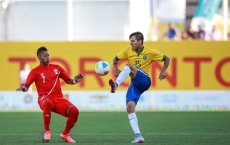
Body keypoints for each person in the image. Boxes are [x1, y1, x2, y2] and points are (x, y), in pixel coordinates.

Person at [109, 32, 170, 143]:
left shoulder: (150, 52)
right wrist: (115, 68)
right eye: (130, 41)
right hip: (135, 84)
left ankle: (116, 85)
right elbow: (115, 58)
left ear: (140, 41)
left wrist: (163, 70)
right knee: (129, 106)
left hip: (145, 80)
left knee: (129, 66)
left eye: (133, 41)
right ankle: (138, 135)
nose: (131, 43)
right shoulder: (128, 50)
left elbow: (167, 58)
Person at [16, 46, 83, 143]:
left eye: (48, 55)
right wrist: (23, 88)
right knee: (48, 102)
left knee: (75, 111)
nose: (48, 57)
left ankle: (65, 134)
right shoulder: (35, 72)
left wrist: (75, 80)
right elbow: (26, 85)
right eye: (45, 56)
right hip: (44, 99)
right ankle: (47, 131)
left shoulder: (57, 68)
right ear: (39, 57)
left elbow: (69, 80)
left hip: (58, 99)